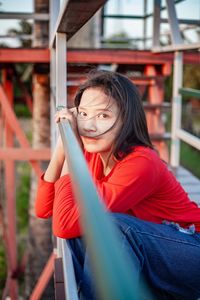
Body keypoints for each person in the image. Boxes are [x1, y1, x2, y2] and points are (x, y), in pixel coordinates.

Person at [35, 70, 200, 300]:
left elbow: (62, 224)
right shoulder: (94, 153)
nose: (90, 126)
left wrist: (72, 160)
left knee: (108, 226)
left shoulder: (141, 163)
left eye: (103, 116)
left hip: (190, 250)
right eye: (83, 114)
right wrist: (64, 147)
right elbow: (43, 210)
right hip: (154, 256)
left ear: (126, 120)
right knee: (83, 231)